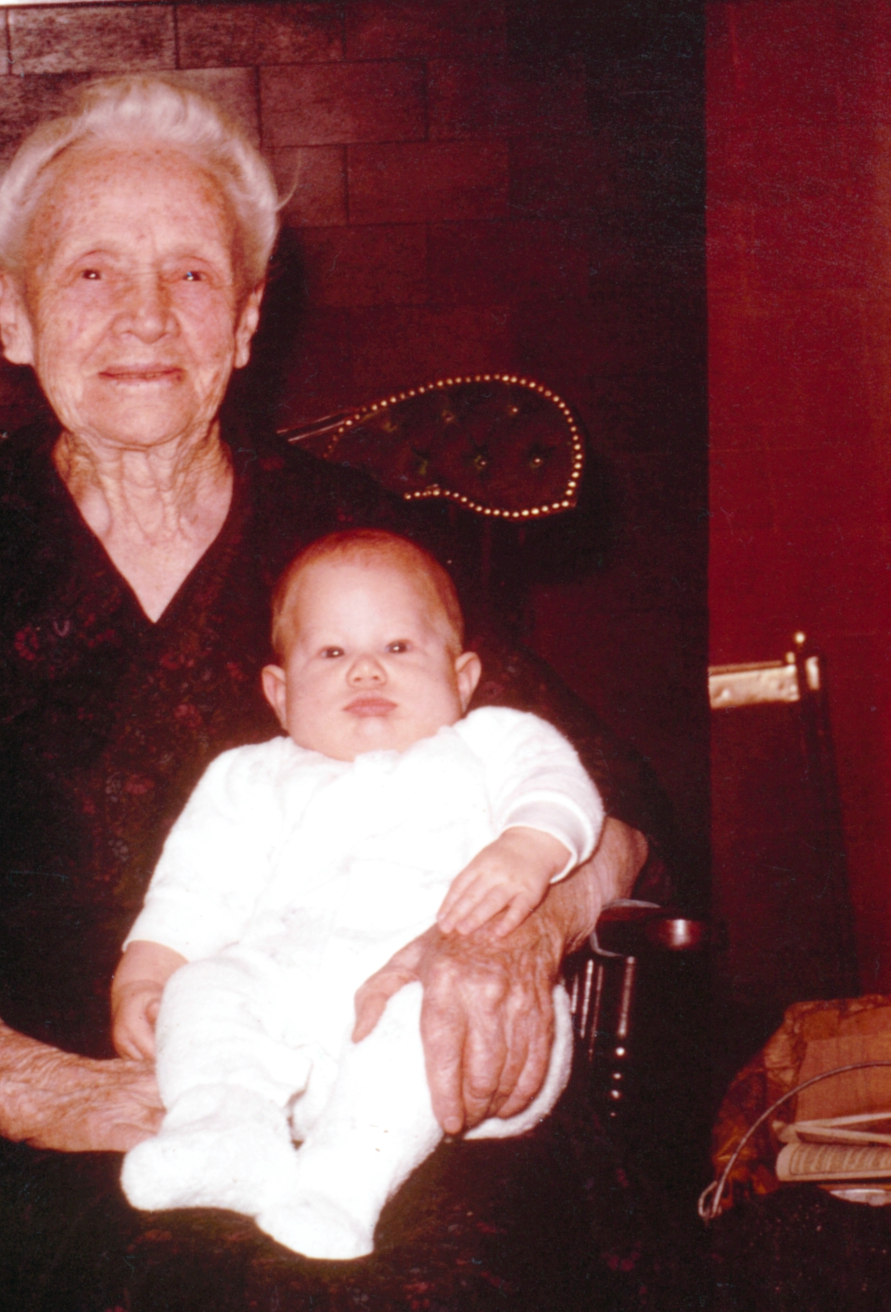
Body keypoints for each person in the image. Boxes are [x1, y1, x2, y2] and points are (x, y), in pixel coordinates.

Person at [0, 73, 675, 1312]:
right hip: (46, 1130)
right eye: (91, 272)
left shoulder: (354, 540)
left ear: (247, 320)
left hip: (389, 1081)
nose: (145, 316)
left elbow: (614, 802)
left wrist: (515, 939)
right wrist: (47, 1092)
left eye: (191, 274)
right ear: (14, 314)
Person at [113, 530, 602, 1261]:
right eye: (332, 652)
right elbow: (193, 887)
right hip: (288, 1016)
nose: (366, 669)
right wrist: (145, 976)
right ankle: (227, 1132)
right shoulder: (248, 777)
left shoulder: (489, 742)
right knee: (206, 987)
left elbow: (560, 788)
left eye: (398, 647)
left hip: (453, 1030)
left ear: (463, 677)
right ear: (280, 693)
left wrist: (527, 848)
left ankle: (342, 1185)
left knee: (425, 1010)